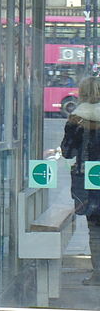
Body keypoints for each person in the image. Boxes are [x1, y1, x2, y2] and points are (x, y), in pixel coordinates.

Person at [60, 76, 100, 286]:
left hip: (87, 181)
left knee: (94, 229)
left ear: (82, 93)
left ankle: (98, 274)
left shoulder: (77, 120)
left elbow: (67, 152)